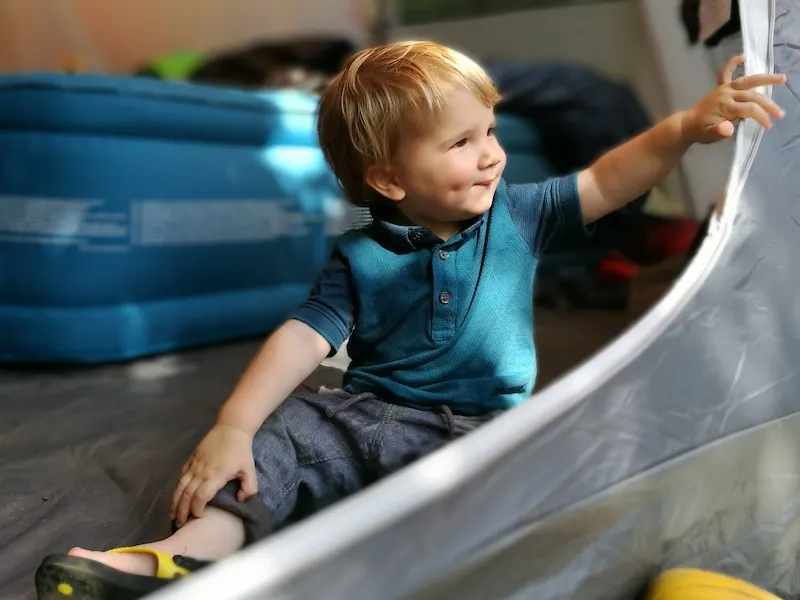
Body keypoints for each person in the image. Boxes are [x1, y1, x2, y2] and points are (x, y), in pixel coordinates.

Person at [34, 42, 786, 600]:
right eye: (463, 143)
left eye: (490, 132)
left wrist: (686, 126)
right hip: (372, 420)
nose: (492, 157)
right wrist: (233, 426)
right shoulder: (360, 256)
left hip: (487, 436)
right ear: (390, 179)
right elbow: (302, 337)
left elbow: (606, 179)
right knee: (286, 431)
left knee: (581, 454)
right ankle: (185, 558)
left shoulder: (520, 215)